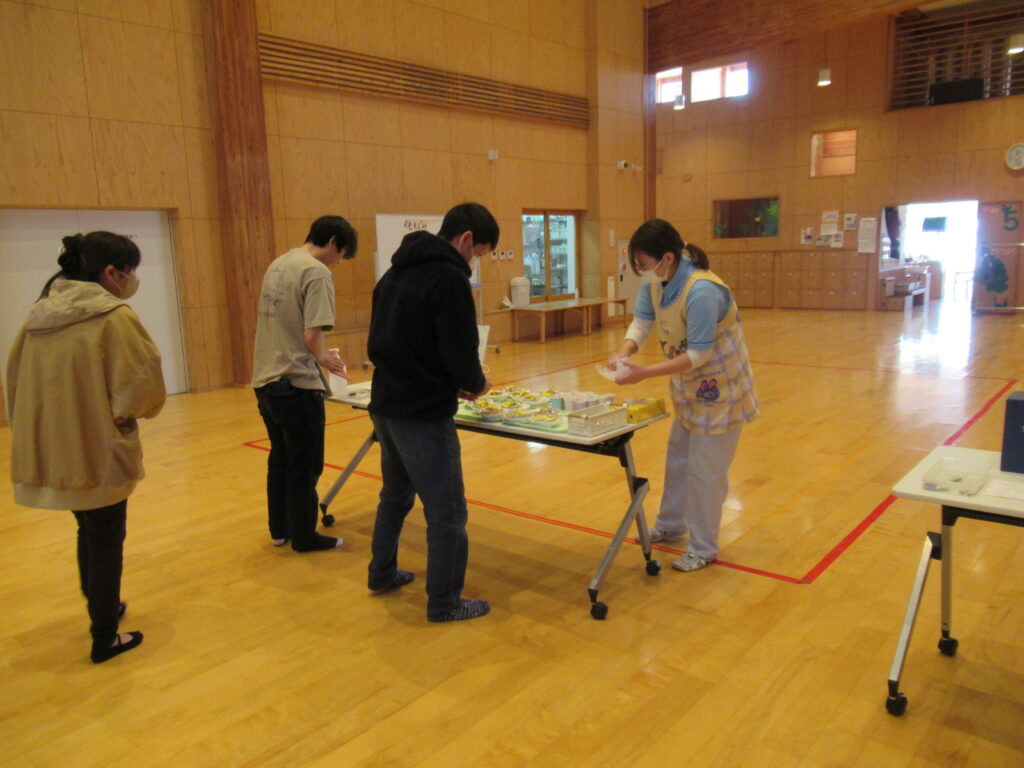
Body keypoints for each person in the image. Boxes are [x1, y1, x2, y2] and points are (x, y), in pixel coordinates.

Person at [7, 231, 166, 663]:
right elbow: (142, 388)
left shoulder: (39, 315)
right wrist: (125, 415)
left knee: (89, 529)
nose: (132, 280)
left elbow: (16, 383)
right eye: (129, 271)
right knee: (106, 538)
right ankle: (105, 635)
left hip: (56, 447)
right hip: (98, 448)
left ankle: (102, 604)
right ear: (111, 273)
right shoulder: (114, 318)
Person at [366, 202, 498, 622]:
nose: (474, 263)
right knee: (448, 513)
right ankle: (444, 602)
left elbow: (398, 342)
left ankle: (381, 573)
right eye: (478, 253)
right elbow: (459, 349)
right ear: (466, 240)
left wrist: (445, 377)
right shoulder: (449, 278)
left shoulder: (394, 273)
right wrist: (475, 383)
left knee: (395, 496)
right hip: (422, 414)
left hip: (385, 405)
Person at [610, 219, 758, 572]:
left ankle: (703, 547)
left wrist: (643, 373)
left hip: (722, 393)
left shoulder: (702, 291)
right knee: (678, 460)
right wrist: (624, 351)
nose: (642, 272)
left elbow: (699, 355)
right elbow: (642, 322)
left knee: (706, 473)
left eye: (644, 265)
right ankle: (671, 524)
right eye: (637, 266)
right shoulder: (657, 281)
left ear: (667, 258)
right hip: (689, 390)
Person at [252, 215, 358, 552]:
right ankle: (304, 536)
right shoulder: (317, 272)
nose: (339, 262)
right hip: (297, 383)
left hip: (266, 379)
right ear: (333, 242)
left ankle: (280, 530)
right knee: (305, 465)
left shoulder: (279, 264)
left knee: (280, 459)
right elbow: (313, 335)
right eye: (342, 254)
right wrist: (325, 358)